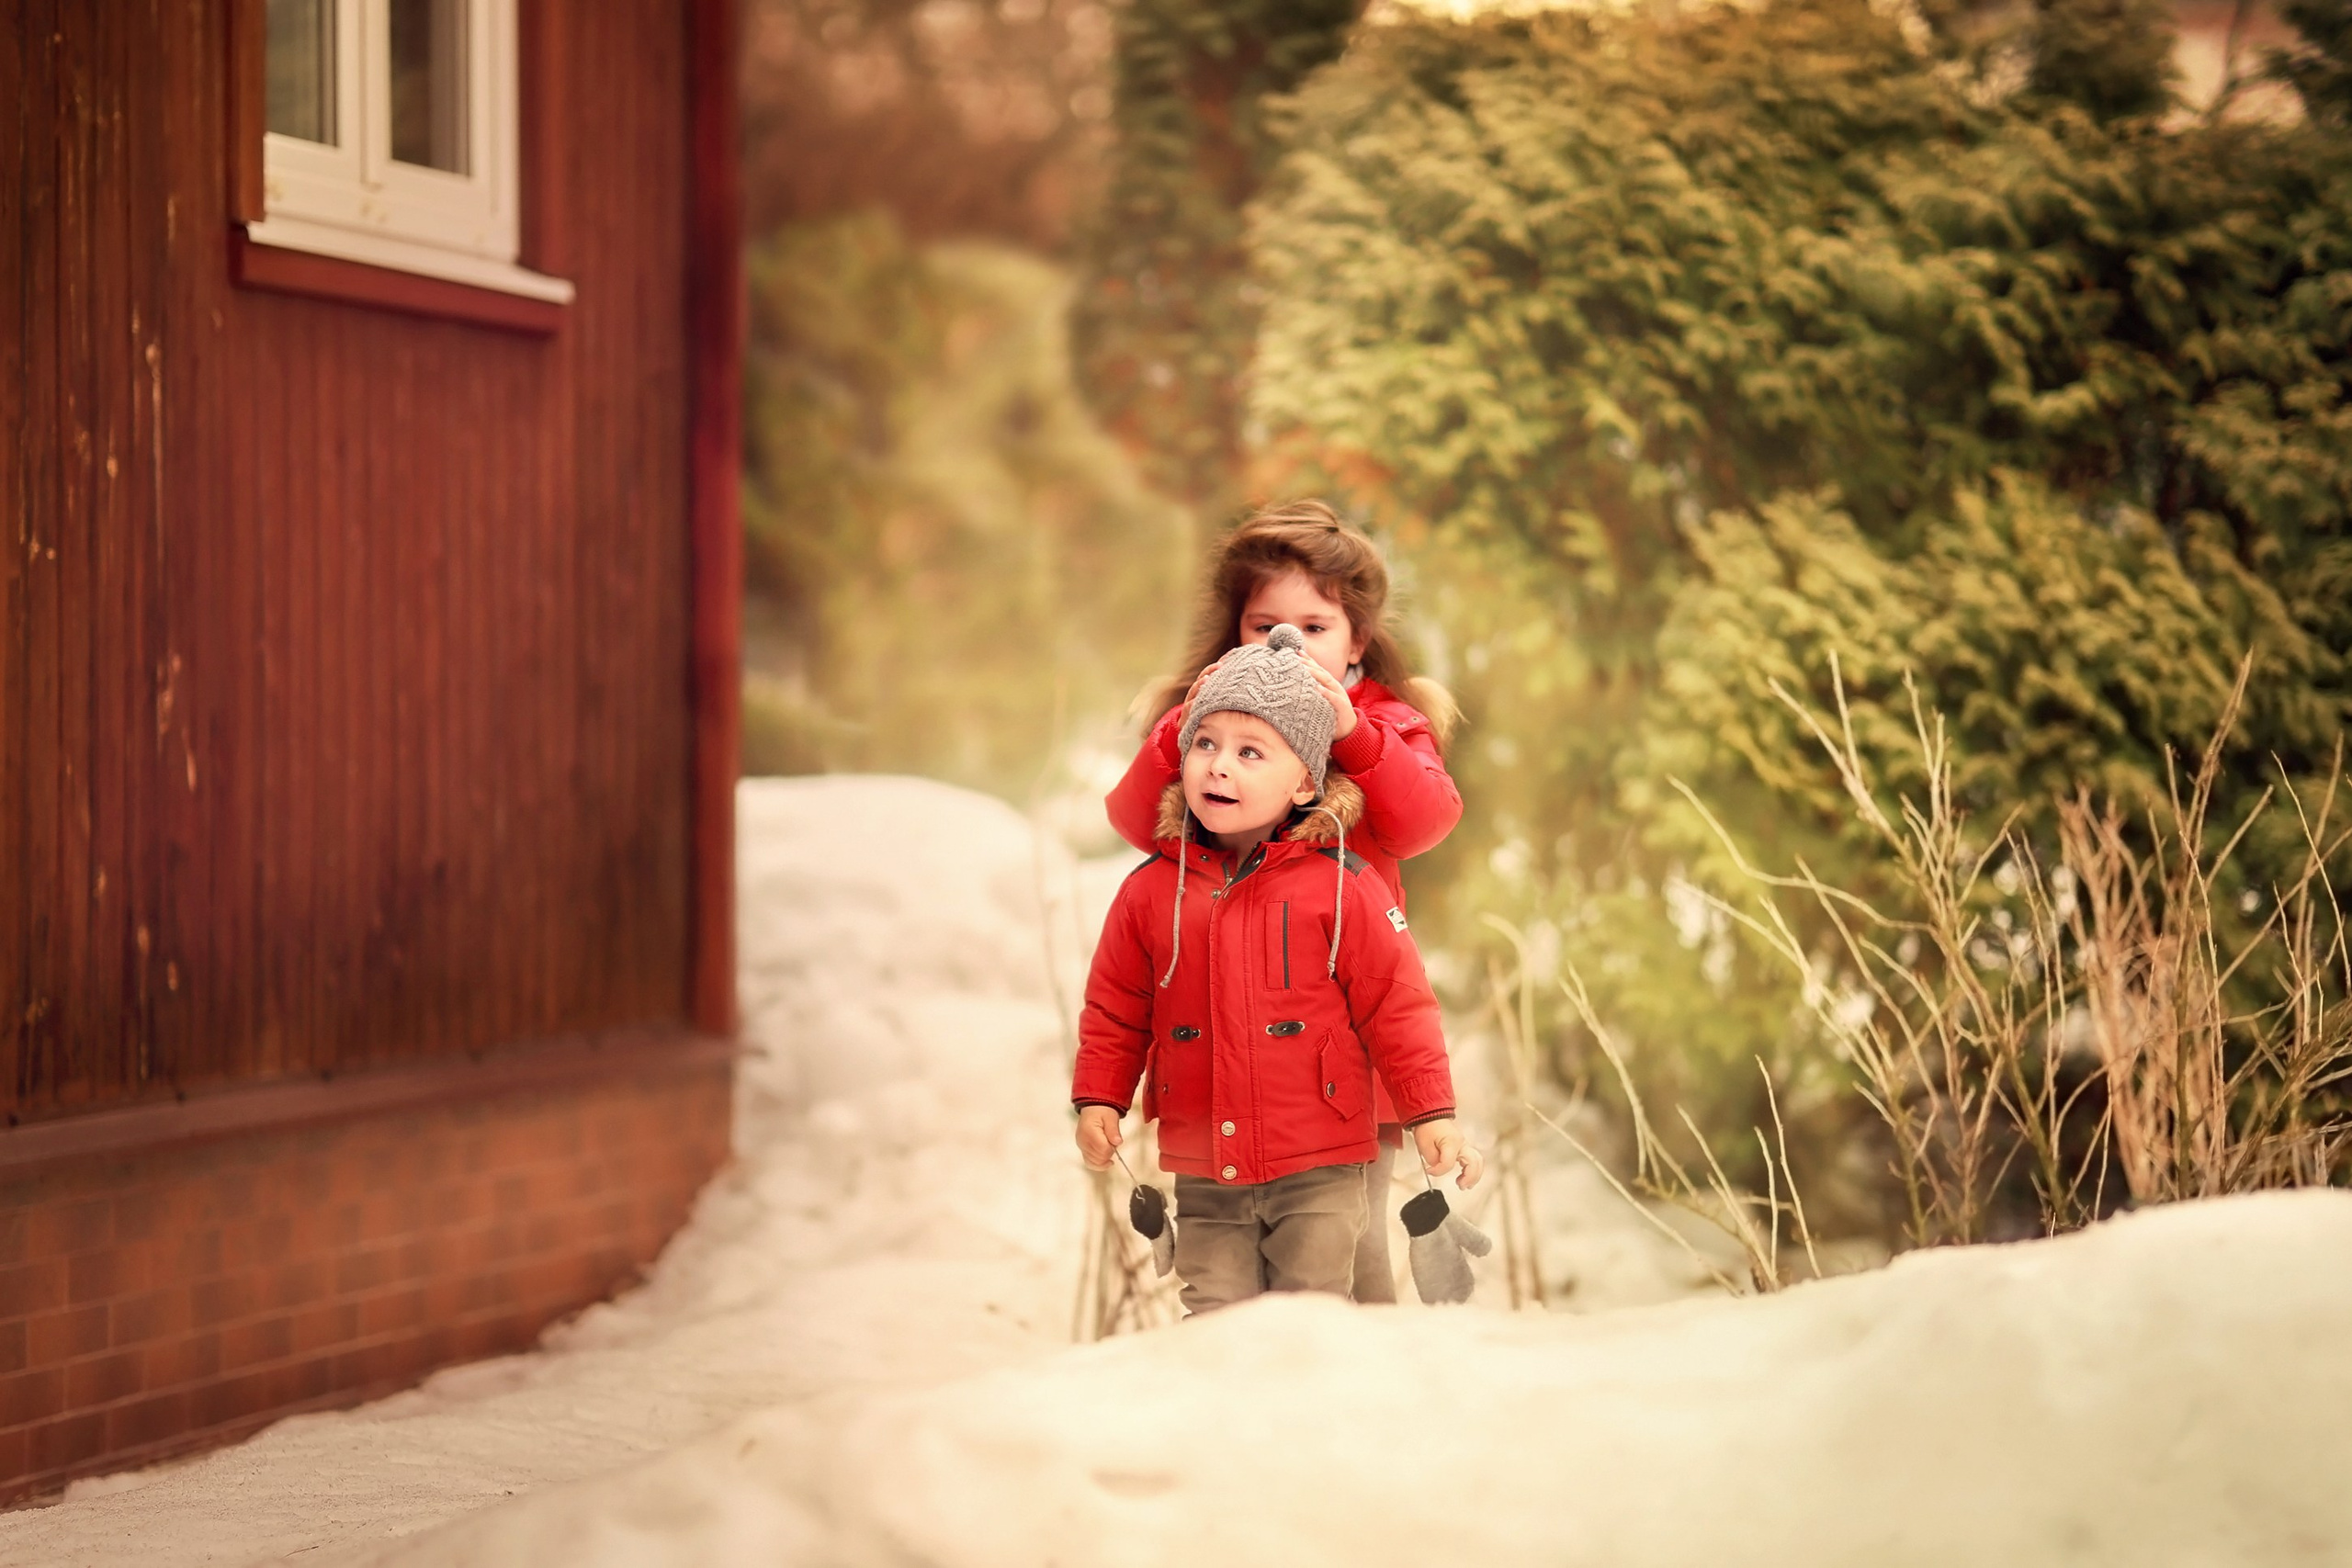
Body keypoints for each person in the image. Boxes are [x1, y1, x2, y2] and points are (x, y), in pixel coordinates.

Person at [1103, 499, 1462, 1303]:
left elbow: (1424, 821)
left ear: (1357, 639)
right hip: (1233, 1051)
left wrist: (1353, 737)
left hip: (1341, 1056)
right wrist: (1182, 723)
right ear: (1235, 632)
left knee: (1347, 1252)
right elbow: (1137, 824)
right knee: (1229, 1272)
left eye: (1315, 626)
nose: (1287, 645)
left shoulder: (1383, 721)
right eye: (1264, 626)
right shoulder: (1212, 732)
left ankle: (1357, 1405)